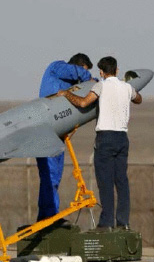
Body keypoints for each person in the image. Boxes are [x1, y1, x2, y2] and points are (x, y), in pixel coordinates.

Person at [66, 56, 142, 230]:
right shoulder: (127, 87)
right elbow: (139, 99)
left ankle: (106, 222)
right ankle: (123, 222)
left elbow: (84, 102)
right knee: (121, 181)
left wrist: (67, 94)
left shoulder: (100, 85)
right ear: (117, 70)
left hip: (105, 138)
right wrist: (129, 93)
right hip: (122, 138)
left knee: (105, 182)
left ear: (101, 72)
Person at [36, 53, 94, 221]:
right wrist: (89, 78)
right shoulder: (56, 67)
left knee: (54, 177)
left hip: (58, 135)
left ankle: (50, 215)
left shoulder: (71, 87)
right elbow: (78, 73)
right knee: (49, 176)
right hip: (45, 133)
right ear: (78, 65)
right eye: (84, 69)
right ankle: (48, 217)